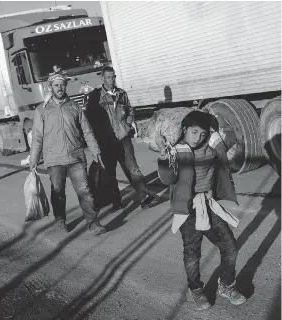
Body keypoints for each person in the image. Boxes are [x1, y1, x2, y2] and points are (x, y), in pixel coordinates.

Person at [157, 111, 246, 310]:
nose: (198, 138)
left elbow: (234, 136)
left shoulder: (213, 145)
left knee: (230, 245)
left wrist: (216, 121)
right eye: (194, 132)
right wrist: (164, 157)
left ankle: (226, 285)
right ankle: (195, 291)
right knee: (192, 254)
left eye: (202, 134)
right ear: (184, 130)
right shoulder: (177, 150)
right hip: (188, 209)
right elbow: (167, 179)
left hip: (208, 203)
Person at [29, 73, 106, 235]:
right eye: (56, 85)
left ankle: (93, 222)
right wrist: (34, 158)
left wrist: (95, 150)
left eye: (62, 85)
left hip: (75, 156)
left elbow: (87, 130)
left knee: (85, 190)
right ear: (50, 87)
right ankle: (60, 220)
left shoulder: (74, 107)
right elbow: (37, 137)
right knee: (58, 192)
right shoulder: (41, 110)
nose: (60, 88)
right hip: (54, 159)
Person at [83, 66, 159, 212]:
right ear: (103, 79)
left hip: (123, 139)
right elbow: (89, 119)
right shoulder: (95, 97)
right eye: (108, 77)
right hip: (106, 141)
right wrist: (98, 136)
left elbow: (130, 110)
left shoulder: (122, 94)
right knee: (110, 173)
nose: (111, 80)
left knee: (133, 168)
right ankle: (116, 202)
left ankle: (144, 198)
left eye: (113, 77)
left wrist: (128, 123)